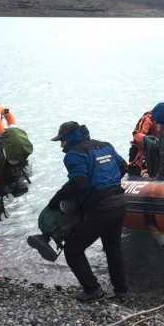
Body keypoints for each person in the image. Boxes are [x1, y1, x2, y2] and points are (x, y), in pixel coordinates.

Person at [47, 121, 130, 303]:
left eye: (62, 140)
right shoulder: (105, 146)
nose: (61, 145)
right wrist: (109, 184)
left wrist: (56, 200)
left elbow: (79, 182)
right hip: (120, 203)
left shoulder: (74, 154)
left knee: (73, 250)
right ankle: (122, 291)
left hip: (101, 209)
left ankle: (93, 289)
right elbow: (124, 167)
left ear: (70, 138)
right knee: (113, 249)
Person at [127, 109, 159, 176]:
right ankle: (134, 173)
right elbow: (137, 133)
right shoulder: (148, 118)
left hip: (158, 151)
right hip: (141, 150)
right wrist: (146, 139)